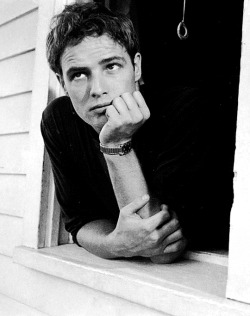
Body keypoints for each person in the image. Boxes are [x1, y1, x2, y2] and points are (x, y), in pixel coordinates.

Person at [41, 2, 230, 264]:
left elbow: (161, 246)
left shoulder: (183, 109)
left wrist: (117, 143)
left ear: (136, 67)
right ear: (62, 83)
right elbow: (81, 222)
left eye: (111, 66)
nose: (97, 89)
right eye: (79, 74)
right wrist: (113, 244)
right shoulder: (59, 119)